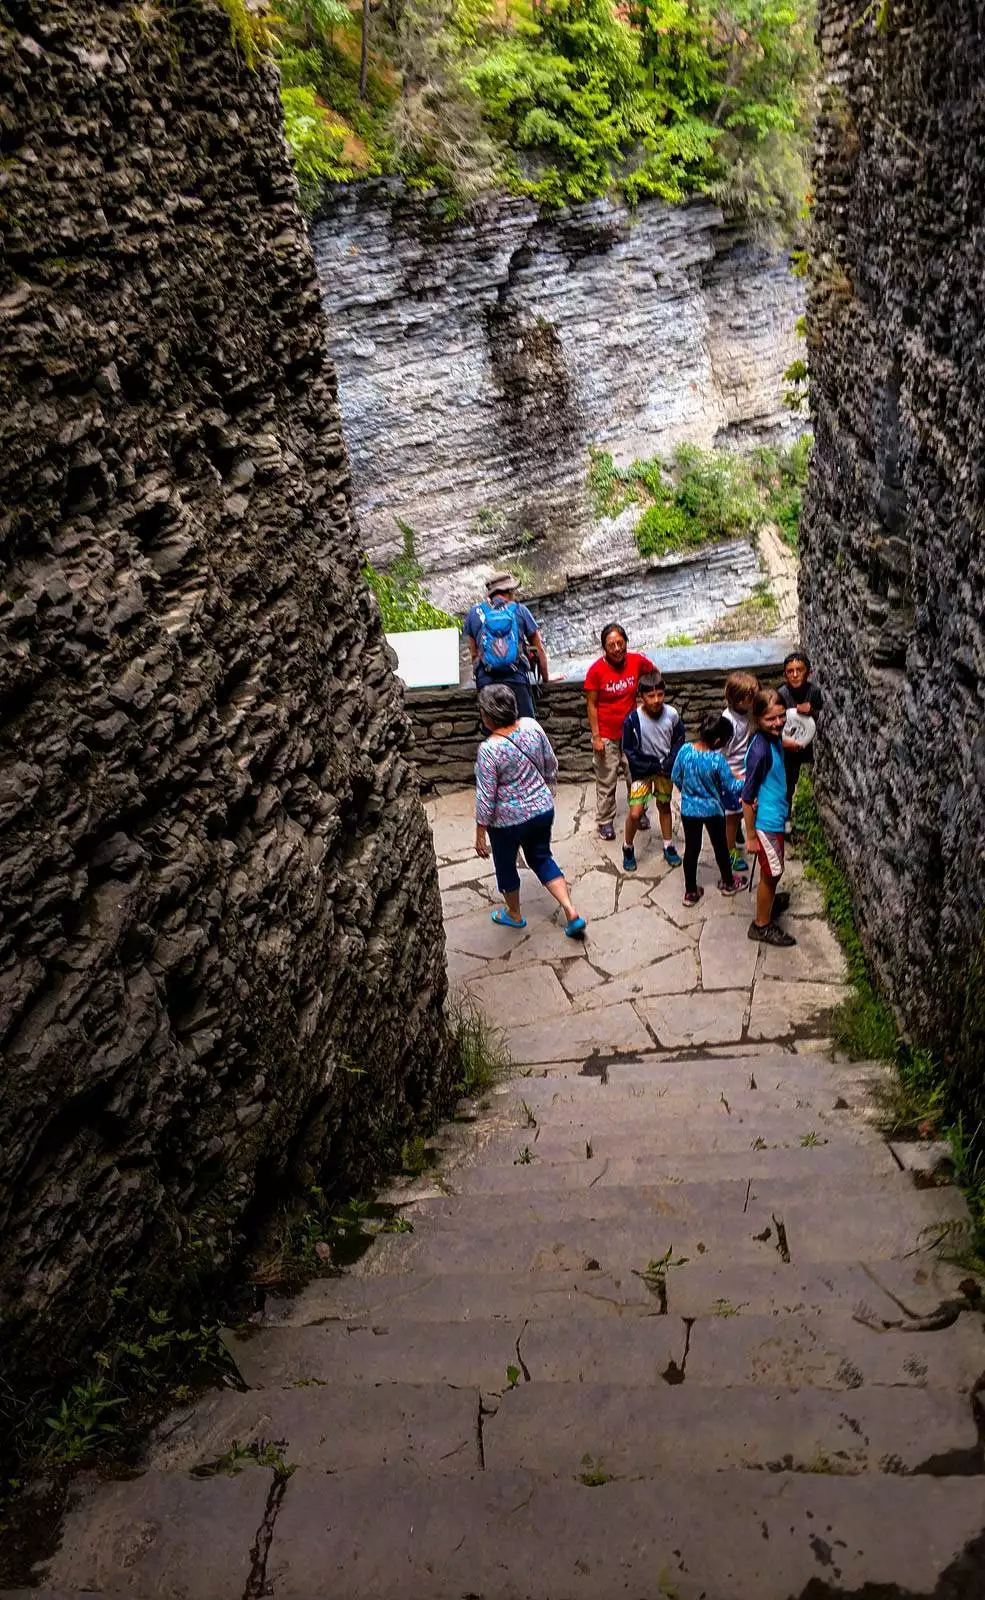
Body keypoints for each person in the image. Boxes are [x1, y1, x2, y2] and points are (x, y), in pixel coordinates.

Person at [473, 684, 586, 938]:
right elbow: (550, 762)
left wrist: (480, 832)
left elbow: (486, 796)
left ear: (488, 717)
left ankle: (514, 914)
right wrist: (547, 787)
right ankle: (571, 911)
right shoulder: (532, 726)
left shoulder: (488, 749)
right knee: (542, 858)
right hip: (541, 810)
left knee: (505, 865)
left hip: (507, 823)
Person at [584, 623, 656, 841]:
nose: (617, 648)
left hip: (631, 732)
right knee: (607, 779)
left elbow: (654, 675)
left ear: (626, 642)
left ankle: (639, 812)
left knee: (636, 775)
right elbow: (591, 705)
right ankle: (605, 820)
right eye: (611, 645)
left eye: (620, 643)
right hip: (607, 734)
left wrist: (647, 703)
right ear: (604, 648)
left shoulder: (636, 661)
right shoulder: (596, 671)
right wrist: (596, 737)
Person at [670, 711, 744, 908]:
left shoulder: (685, 750)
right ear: (718, 740)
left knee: (692, 849)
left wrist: (687, 792)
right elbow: (732, 787)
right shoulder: (717, 761)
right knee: (720, 846)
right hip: (713, 811)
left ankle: (690, 891)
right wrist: (746, 780)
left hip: (689, 810)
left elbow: (675, 776)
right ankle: (728, 882)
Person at [742, 687, 796, 947]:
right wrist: (751, 836)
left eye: (781, 716)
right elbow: (746, 798)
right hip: (767, 823)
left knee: (773, 870)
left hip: (775, 815)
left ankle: (769, 901)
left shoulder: (770, 739)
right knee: (772, 872)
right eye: (770, 719)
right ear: (757, 718)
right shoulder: (760, 751)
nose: (778, 723)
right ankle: (761, 925)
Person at [620, 670, 685, 873]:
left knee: (664, 805)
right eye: (651, 696)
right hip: (643, 772)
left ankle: (668, 845)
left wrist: (670, 762)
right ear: (641, 696)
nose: (656, 700)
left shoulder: (672, 715)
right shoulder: (632, 720)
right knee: (635, 812)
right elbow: (629, 750)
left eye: (660, 694)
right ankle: (627, 847)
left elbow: (679, 740)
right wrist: (650, 766)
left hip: (665, 770)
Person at [464, 572, 549, 722]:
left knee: (494, 729)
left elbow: (474, 654)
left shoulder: (474, 613)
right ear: (509, 591)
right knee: (525, 727)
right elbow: (539, 649)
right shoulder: (520, 610)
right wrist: (546, 677)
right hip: (516, 679)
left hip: (487, 682)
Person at [778, 650, 823, 830]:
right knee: (787, 784)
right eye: (790, 671)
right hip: (788, 749)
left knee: (809, 779)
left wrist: (812, 711)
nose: (795, 675)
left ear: (808, 672)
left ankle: (810, 811)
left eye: (800, 670)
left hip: (809, 746)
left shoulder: (814, 692)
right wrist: (783, 742)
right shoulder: (781, 695)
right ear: (785, 675)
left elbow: (824, 717)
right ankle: (785, 818)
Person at [722, 670, 760, 873]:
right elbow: (720, 755)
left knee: (741, 811)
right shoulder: (728, 723)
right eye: (751, 698)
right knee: (732, 817)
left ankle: (736, 831)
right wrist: (732, 775)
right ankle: (730, 851)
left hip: (745, 772)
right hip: (733, 776)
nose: (755, 700)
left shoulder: (747, 714)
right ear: (738, 699)